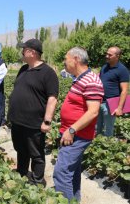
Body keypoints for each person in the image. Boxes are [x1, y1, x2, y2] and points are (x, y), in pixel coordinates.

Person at [53, 47, 104, 202]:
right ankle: (74, 200)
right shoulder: (80, 78)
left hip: (78, 135)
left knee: (61, 173)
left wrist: (72, 129)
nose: (64, 61)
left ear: (75, 59)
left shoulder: (92, 81)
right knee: (72, 172)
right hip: (72, 133)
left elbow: (93, 111)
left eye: (66, 58)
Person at [8, 38, 59, 186]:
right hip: (18, 120)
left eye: (23, 50)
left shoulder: (48, 73)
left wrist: (47, 121)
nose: (22, 52)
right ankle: (22, 174)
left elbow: (52, 98)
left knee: (36, 153)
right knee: (21, 150)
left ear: (32, 52)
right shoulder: (23, 69)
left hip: (34, 123)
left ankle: (37, 181)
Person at [96, 46, 129, 136]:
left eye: (110, 55)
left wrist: (119, 108)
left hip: (111, 104)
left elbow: (124, 90)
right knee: (96, 128)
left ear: (117, 56)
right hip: (99, 102)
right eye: (106, 54)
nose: (107, 56)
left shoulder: (122, 70)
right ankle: (95, 145)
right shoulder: (104, 67)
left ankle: (108, 147)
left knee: (108, 130)